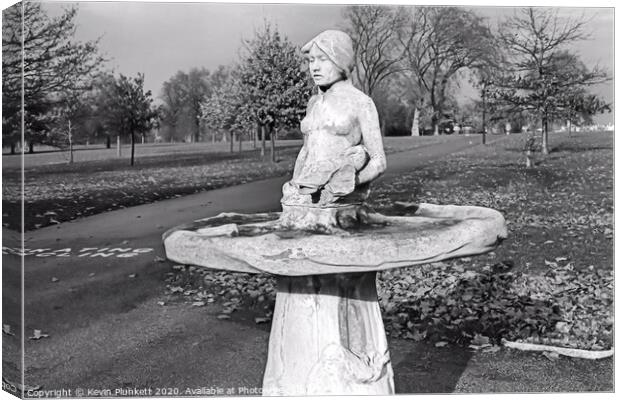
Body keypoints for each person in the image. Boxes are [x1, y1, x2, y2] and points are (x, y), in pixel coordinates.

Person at [281, 30, 387, 206]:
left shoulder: (361, 103)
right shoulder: (313, 104)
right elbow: (306, 150)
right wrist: (295, 183)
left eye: (323, 59)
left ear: (341, 61)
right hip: (306, 194)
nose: (314, 67)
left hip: (339, 201)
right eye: (311, 60)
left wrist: (350, 183)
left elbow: (379, 161)